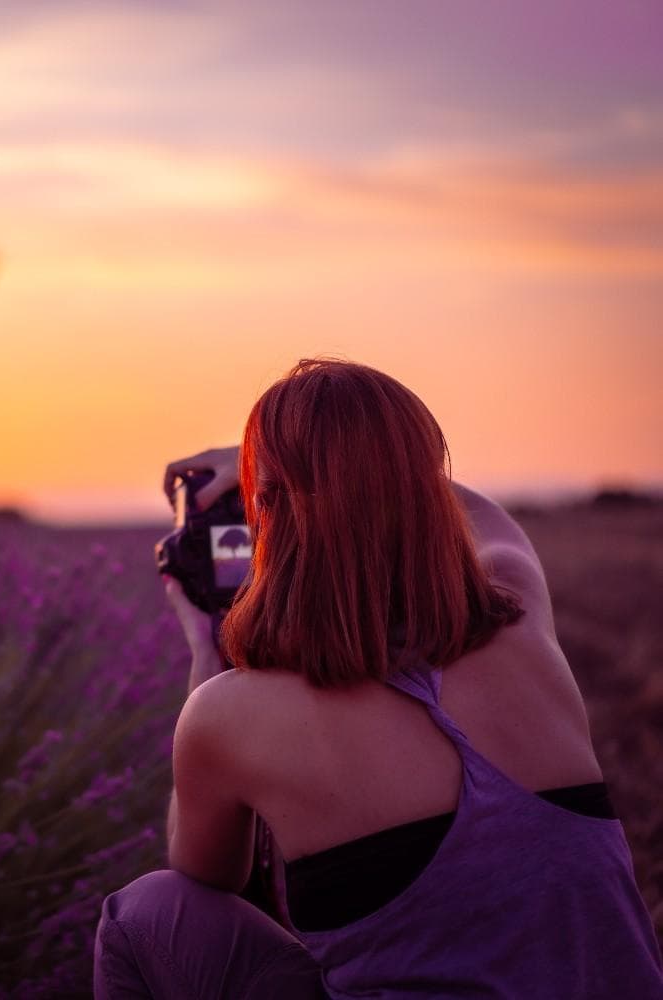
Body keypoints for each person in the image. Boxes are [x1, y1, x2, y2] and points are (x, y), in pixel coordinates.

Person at [94, 358, 663, 999]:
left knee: (143, 913)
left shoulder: (225, 717)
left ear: (269, 513)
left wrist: (207, 651)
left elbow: (207, 877)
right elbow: (472, 511)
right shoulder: (519, 612)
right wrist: (319, 462)